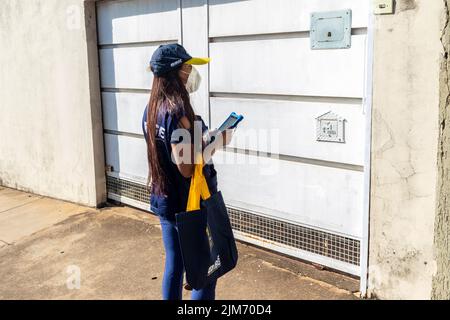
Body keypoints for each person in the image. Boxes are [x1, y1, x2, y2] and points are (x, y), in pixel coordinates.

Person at [142, 44, 233, 300]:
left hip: (165, 200)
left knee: (176, 264)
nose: (192, 73)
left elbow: (171, 156)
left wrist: (202, 138)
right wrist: (219, 140)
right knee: (204, 269)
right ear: (176, 73)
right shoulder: (176, 112)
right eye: (188, 67)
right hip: (188, 204)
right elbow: (186, 167)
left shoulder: (150, 110)